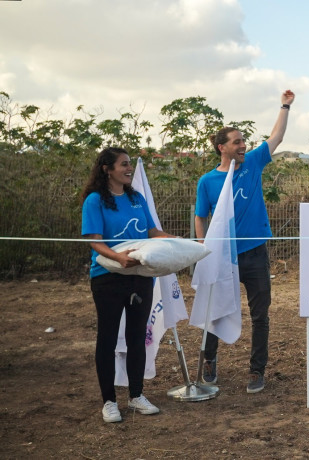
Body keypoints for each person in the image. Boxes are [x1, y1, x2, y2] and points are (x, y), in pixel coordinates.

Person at [194, 89, 295, 393]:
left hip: (254, 253)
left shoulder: (251, 164)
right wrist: (203, 248)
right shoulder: (207, 181)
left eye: (243, 141)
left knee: (259, 314)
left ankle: (256, 370)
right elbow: (201, 216)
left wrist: (285, 106)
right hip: (221, 256)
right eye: (237, 141)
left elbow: (276, 138)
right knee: (216, 309)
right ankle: (209, 360)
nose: (243, 145)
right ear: (221, 148)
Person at [82, 147, 177, 423]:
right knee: (108, 339)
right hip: (107, 277)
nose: (128, 169)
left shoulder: (136, 198)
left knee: (137, 336)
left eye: (129, 165)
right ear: (107, 169)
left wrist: (180, 242)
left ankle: (136, 396)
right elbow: (95, 241)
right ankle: (109, 402)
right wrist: (117, 257)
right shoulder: (95, 200)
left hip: (140, 276)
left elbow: (152, 232)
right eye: (123, 165)